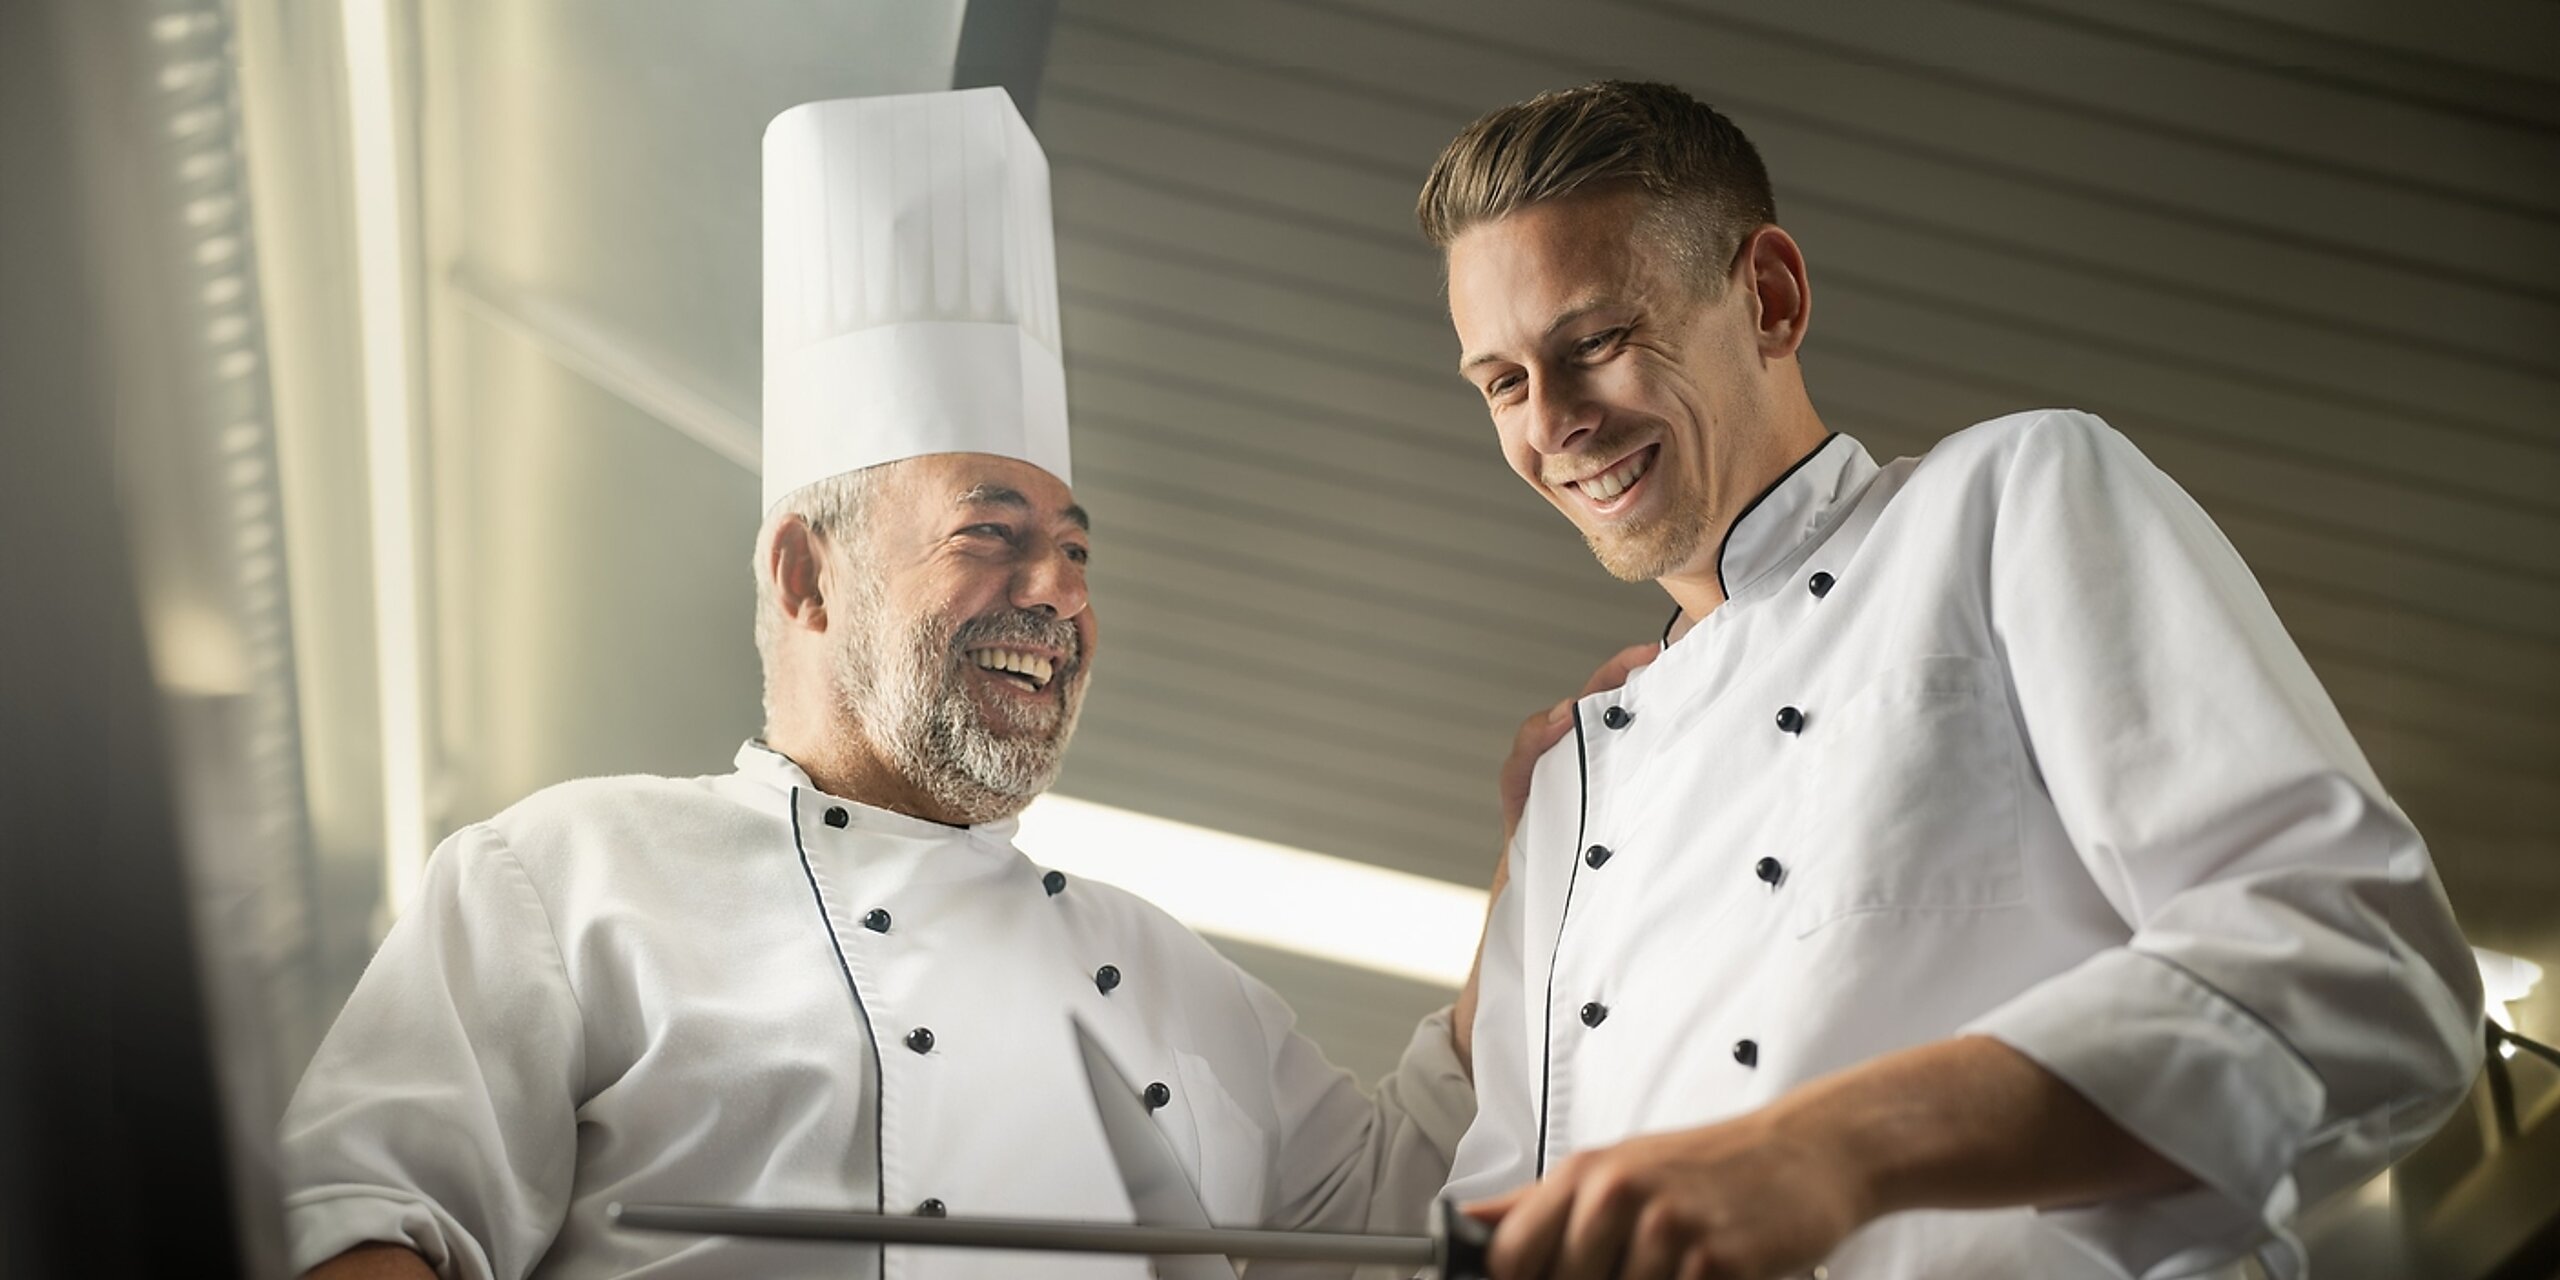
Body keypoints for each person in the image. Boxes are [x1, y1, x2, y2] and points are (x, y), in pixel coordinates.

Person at [279, 88, 1477, 1280]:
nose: (1056, 590)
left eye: (1075, 549)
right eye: (991, 533)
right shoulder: (567, 874)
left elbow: (1414, 1213)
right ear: (808, 573)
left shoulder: (1185, 989)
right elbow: (357, 1213)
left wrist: (1554, 847)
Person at [1418, 80, 2483, 1280]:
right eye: (1502, 382)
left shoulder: (2006, 498)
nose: (1552, 421)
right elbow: (1497, 1206)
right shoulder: (1566, 789)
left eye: (1595, 342)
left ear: (1767, 297)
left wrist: (1824, 1151)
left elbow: (2353, 960)